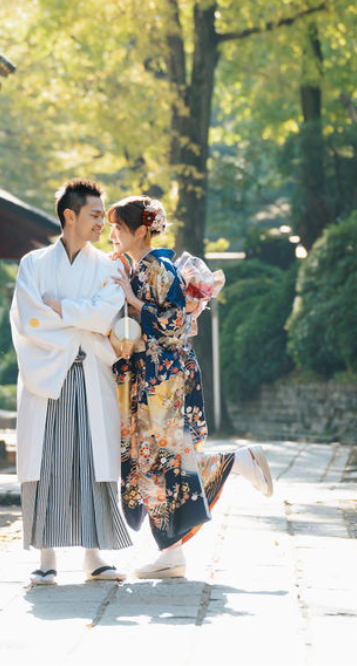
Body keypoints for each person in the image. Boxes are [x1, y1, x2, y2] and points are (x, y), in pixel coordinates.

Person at [107, 196, 273, 579]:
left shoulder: (160, 268)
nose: (112, 234)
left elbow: (177, 323)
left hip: (163, 378)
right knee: (155, 463)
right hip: (152, 377)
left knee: (161, 462)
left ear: (142, 230)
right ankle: (171, 551)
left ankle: (235, 463)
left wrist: (134, 302)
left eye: (120, 227)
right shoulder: (141, 266)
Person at [10, 179, 132, 585]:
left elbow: (105, 318)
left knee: (90, 465)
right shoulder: (33, 264)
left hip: (89, 376)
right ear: (70, 215)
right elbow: (31, 320)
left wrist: (62, 309)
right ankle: (46, 557)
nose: (102, 223)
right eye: (95, 215)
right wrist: (82, 320)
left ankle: (94, 556)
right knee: (47, 465)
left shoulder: (110, 266)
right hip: (48, 377)